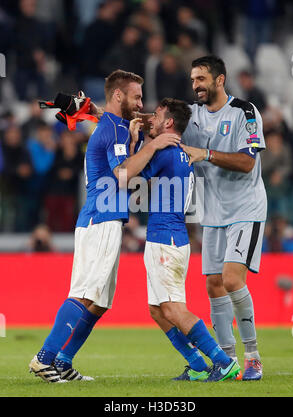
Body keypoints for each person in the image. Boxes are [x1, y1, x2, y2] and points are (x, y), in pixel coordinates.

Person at [29, 69, 179, 383]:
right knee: (85, 293)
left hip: (108, 218)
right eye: (136, 96)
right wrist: (152, 145)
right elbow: (124, 175)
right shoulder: (114, 129)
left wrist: (138, 138)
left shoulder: (118, 127)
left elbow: (125, 170)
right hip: (100, 218)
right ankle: (44, 359)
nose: (140, 102)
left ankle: (63, 361)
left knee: (98, 303)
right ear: (119, 95)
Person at [138, 97, 240, 382]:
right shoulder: (179, 152)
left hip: (165, 241)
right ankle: (196, 363)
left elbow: (127, 174)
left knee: (172, 309)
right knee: (157, 310)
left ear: (169, 122)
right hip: (171, 237)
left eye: (157, 115)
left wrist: (138, 140)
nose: (152, 120)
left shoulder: (165, 152)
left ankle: (223, 361)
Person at [180, 55, 267, 381]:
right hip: (213, 212)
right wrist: (102, 114)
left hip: (246, 209)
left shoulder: (245, 111)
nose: (195, 86)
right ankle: (226, 360)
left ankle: (253, 357)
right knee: (214, 285)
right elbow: (157, 122)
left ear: (219, 79)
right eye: (192, 80)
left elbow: (247, 163)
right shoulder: (193, 116)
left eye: (201, 79)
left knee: (232, 279)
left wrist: (206, 154)